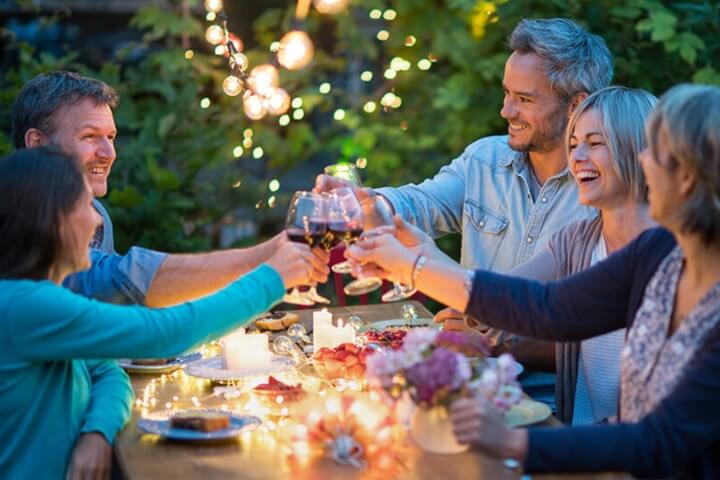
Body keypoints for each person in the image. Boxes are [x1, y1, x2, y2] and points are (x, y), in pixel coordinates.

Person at [346, 84, 720, 478]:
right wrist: (414, 263)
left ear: (688, 178)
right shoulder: (659, 253)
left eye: (655, 153)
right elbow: (547, 308)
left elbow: (660, 442)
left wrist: (512, 443)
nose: (642, 160)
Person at [317, 17, 614, 403]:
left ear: (576, 105)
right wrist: (371, 203)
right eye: (506, 93)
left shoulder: (604, 194)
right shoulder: (485, 159)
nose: (506, 110)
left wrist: (492, 340)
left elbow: (595, 346)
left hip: (550, 408)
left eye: (524, 99)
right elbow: (421, 202)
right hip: (463, 390)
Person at [0, 147, 326, 479]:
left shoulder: (40, 297)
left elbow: (107, 370)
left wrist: (96, 431)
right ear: (53, 220)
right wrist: (272, 278)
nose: (97, 220)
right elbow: (166, 333)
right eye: (85, 205)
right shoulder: (25, 307)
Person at [10, 70, 328, 307]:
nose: (108, 154)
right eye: (90, 136)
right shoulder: (15, 223)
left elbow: (113, 308)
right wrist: (265, 260)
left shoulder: (95, 214)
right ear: (36, 143)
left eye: (111, 137)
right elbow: (117, 281)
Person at [488, 86, 656, 424]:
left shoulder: (676, 255)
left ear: (640, 152)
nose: (576, 158)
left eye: (594, 144)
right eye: (574, 144)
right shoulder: (578, 240)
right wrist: (474, 312)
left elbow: (543, 305)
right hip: (579, 443)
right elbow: (506, 290)